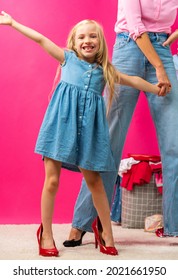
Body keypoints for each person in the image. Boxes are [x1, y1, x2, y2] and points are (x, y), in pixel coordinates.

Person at [0, 11, 163, 257]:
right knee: (52, 181)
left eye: (93, 36)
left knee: (95, 181)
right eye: (82, 37)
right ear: (73, 43)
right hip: (59, 125)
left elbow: (132, 80)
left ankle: (105, 231)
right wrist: (13, 23)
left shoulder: (105, 70)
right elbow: (41, 40)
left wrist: (156, 88)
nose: (87, 41)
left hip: (89, 131)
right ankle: (45, 232)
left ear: (100, 42)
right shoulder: (67, 59)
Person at [64, 0, 178, 246]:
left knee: (174, 145)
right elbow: (136, 26)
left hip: (163, 49)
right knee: (107, 141)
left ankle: (175, 226)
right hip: (130, 47)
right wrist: (159, 66)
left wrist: (163, 56)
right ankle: (83, 221)